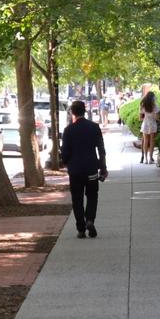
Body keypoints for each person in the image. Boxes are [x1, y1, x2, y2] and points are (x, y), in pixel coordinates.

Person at [59, 99, 108, 238]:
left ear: (72, 113)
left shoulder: (68, 130)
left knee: (77, 198)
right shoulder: (94, 127)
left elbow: (65, 152)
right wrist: (103, 167)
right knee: (92, 195)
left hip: (75, 170)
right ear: (85, 111)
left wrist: (67, 163)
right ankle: (90, 220)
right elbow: (101, 149)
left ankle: (81, 228)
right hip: (91, 168)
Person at [137, 90, 159, 164]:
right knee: (152, 141)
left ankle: (145, 159)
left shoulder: (142, 105)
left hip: (145, 124)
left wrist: (146, 117)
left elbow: (140, 118)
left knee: (145, 141)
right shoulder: (155, 105)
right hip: (152, 124)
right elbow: (156, 118)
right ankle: (150, 159)